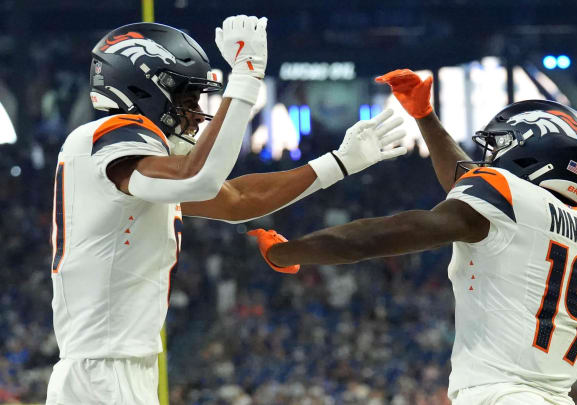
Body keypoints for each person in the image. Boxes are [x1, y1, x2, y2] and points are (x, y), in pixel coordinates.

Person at [46, 16, 406, 405]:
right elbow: (198, 176)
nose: (196, 112)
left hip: (114, 367)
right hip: (102, 372)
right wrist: (246, 79)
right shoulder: (109, 134)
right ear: (146, 86)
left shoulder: (133, 166)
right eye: (188, 98)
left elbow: (235, 201)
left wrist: (338, 163)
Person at [249, 69, 577, 404]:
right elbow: (468, 181)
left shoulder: (507, 198)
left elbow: (380, 236)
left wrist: (287, 252)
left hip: (499, 395)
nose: (491, 157)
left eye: (503, 145)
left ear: (533, 153)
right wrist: (424, 115)